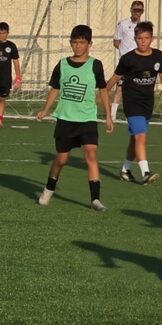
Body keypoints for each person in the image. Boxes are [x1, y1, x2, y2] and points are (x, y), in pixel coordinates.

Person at [35, 25, 114, 212]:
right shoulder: (62, 64)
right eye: (74, 42)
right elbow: (55, 89)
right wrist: (45, 110)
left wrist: (108, 116)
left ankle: (95, 199)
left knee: (91, 154)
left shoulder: (95, 65)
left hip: (87, 118)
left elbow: (103, 90)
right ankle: (49, 188)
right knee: (61, 159)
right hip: (66, 118)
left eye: (81, 42)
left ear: (89, 44)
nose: (78, 46)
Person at [106, 21, 162, 186]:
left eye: (146, 38)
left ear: (152, 38)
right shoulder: (128, 58)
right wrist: (103, 93)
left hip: (147, 102)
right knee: (140, 136)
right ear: (135, 38)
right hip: (132, 102)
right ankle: (146, 173)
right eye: (139, 38)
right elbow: (115, 78)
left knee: (135, 138)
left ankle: (125, 170)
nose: (143, 42)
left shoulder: (158, 56)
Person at [110, 0, 145, 122]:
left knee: (138, 88)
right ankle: (113, 115)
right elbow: (116, 41)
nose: (137, 12)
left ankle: (136, 113)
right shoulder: (123, 24)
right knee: (120, 88)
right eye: (135, 10)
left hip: (140, 61)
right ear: (131, 10)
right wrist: (125, 52)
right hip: (126, 62)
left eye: (140, 10)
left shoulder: (143, 26)